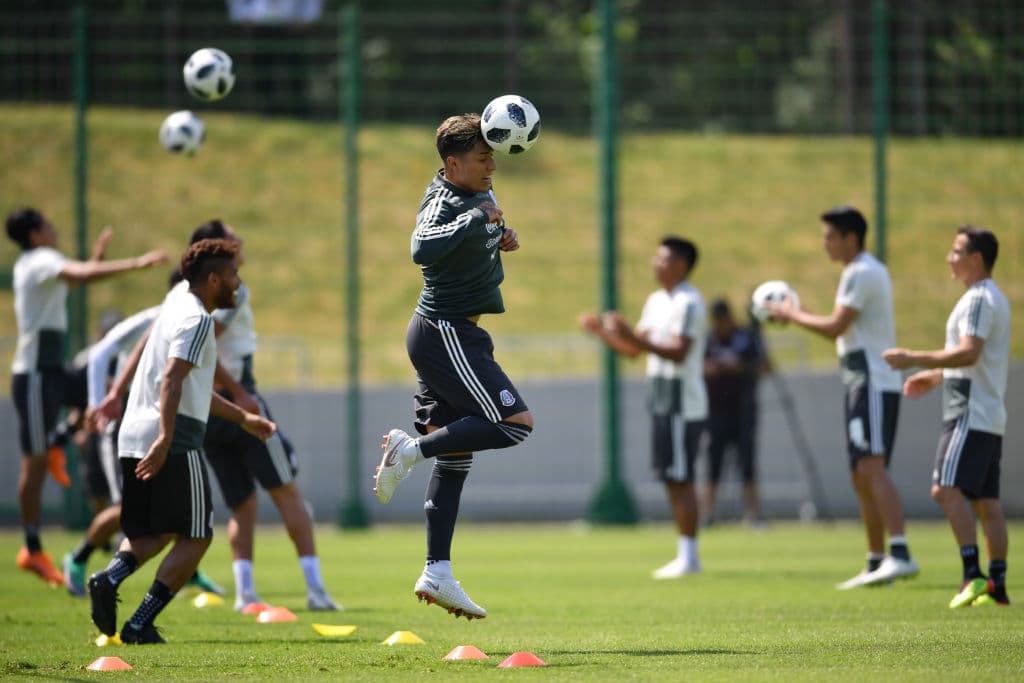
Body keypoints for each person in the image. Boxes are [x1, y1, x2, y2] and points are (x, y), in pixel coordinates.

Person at [371, 113, 532, 620]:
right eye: (483, 158)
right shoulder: (445, 200)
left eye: (492, 156)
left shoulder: (475, 192)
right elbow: (421, 247)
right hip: (446, 333)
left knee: (456, 455)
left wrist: (500, 238)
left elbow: (473, 236)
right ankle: (407, 450)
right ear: (452, 163)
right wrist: (473, 223)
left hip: (448, 333)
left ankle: (436, 571)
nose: (492, 167)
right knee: (514, 424)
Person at [86, 238, 275, 644]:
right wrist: (166, 439)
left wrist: (243, 418)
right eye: (233, 274)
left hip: (133, 433)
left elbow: (192, 386)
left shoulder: (174, 306)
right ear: (213, 280)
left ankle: (108, 578)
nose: (238, 282)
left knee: (152, 533)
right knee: (197, 536)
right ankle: (139, 623)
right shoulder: (198, 320)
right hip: (173, 439)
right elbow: (171, 380)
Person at [5, 207, 167, 587]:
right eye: (48, 226)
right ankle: (31, 548)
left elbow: (74, 280)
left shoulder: (43, 265)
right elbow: (78, 275)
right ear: (34, 235)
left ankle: (58, 441)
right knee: (34, 464)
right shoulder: (39, 260)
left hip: (54, 373)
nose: (54, 229)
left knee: (100, 394)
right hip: (34, 376)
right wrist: (136, 264)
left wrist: (94, 260)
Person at [187, 219, 339, 612]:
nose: (239, 242)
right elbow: (204, 343)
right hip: (241, 403)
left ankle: (245, 593)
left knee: (242, 504)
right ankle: (316, 590)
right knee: (287, 493)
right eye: (231, 238)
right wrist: (239, 393)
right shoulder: (230, 290)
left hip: (207, 410)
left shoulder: (182, 297)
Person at [770, 205, 918, 589]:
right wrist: (799, 312)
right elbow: (841, 327)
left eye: (830, 237)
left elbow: (835, 326)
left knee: (872, 467)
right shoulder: (856, 272)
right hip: (859, 383)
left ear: (851, 238)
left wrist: (792, 314)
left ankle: (900, 553)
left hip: (873, 383)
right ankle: (876, 560)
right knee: (860, 473)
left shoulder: (863, 271)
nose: (825, 244)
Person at [62, 280, 225, 599]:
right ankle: (79, 559)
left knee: (173, 514)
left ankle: (186, 573)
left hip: (158, 419)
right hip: (129, 421)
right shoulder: (161, 317)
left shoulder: (187, 319)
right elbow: (101, 354)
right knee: (132, 509)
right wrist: (102, 401)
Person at [882, 226, 1010, 607]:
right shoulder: (993, 297)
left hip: (968, 412)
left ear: (976, 258)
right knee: (986, 503)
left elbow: (968, 353)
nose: (949, 258)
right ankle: (998, 588)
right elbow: (976, 361)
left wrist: (911, 358)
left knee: (945, 489)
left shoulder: (978, 299)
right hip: (989, 413)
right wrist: (935, 376)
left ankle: (973, 575)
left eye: (956, 251)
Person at [580, 237, 707, 579]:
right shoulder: (656, 301)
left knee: (681, 477)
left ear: (682, 264)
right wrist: (603, 333)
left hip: (683, 401)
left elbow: (678, 352)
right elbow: (635, 350)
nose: (656, 263)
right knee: (670, 477)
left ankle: (690, 557)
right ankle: (685, 554)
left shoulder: (689, 302)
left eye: (663, 259)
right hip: (662, 397)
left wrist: (630, 335)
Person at [702, 298, 770, 527]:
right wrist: (712, 370)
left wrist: (738, 367)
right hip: (715, 412)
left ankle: (754, 514)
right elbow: (697, 367)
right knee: (713, 464)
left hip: (743, 411)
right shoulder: (709, 339)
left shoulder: (747, 337)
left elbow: (764, 366)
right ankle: (708, 514)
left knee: (747, 464)